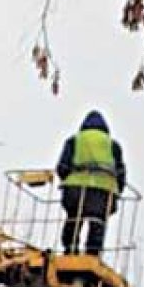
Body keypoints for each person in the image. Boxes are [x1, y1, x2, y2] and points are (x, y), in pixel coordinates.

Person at [56, 110, 126, 256]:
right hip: (103, 193)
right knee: (98, 223)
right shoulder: (112, 145)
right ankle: (93, 253)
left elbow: (62, 167)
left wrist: (69, 180)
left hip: (75, 191)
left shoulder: (74, 141)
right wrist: (117, 192)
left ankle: (70, 248)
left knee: (74, 218)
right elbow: (120, 174)